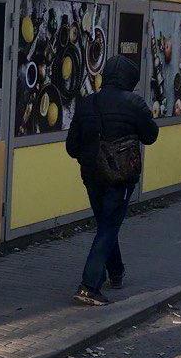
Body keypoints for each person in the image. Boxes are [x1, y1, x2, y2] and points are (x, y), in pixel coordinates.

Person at [66, 55, 159, 306]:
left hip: (91, 174)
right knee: (109, 226)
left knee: (106, 224)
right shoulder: (134, 103)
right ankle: (89, 286)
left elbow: (72, 147)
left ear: (105, 75)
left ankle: (116, 271)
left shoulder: (86, 103)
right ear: (130, 79)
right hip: (121, 176)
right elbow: (150, 136)